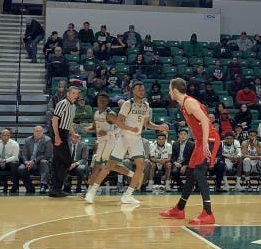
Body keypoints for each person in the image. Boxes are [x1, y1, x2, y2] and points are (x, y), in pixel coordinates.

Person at [84, 82, 168, 204]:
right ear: (133, 91)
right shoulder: (128, 104)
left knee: (141, 165)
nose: (141, 91)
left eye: (143, 89)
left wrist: (159, 127)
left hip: (136, 138)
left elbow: (147, 124)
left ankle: (128, 195)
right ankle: (92, 192)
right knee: (109, 165)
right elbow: (119, 122)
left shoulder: (146, 106)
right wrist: (129, 128)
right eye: (139, 89)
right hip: (124, 137)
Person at [159, 78, 219, 224]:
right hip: (200, 141)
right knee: (191, 173)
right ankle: (179, 209)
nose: (168, 92)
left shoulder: (189, 102)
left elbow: (205, 121)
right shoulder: (183, 105)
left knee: (199, 172)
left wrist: (205, 143)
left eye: (169, 89)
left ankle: (208, 213)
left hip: (209, 139)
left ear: (174, 90)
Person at [49, 84, 81, 197]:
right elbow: (54, 120)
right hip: (57, 132)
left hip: (64, 133)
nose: (75, 95)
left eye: (77, 94)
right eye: (73, 93)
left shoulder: (73, 106)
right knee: (67, 160)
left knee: (58, 162)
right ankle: (56, 187)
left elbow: (69, 123)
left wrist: (73, 134)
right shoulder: (62, 103)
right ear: (68, 93)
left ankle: (54, 189)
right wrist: (57, 136)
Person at [19, 126, 53, 194]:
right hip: (29, 163)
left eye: (40, 131)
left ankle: (43, 185)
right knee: (21, 169)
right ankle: (30, 187)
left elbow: (47, 155)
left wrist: (34, 161)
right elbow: (24, 154)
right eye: (36, 131)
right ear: (33, 132)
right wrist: (26, 162)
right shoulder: (27, 140)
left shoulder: (48, 140)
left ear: (42, 132)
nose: (38, 133)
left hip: (40, 163)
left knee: (44, 162)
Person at [0, 128, 20, 193]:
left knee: (14, 164)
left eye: (7, 135)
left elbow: (15, 157)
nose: (6, 137)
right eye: (4, 135)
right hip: (0, 162)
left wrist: (5, 160)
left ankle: (14, 186)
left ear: (9, 136)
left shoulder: (14, 144)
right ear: (1, 136)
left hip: (10, 162)